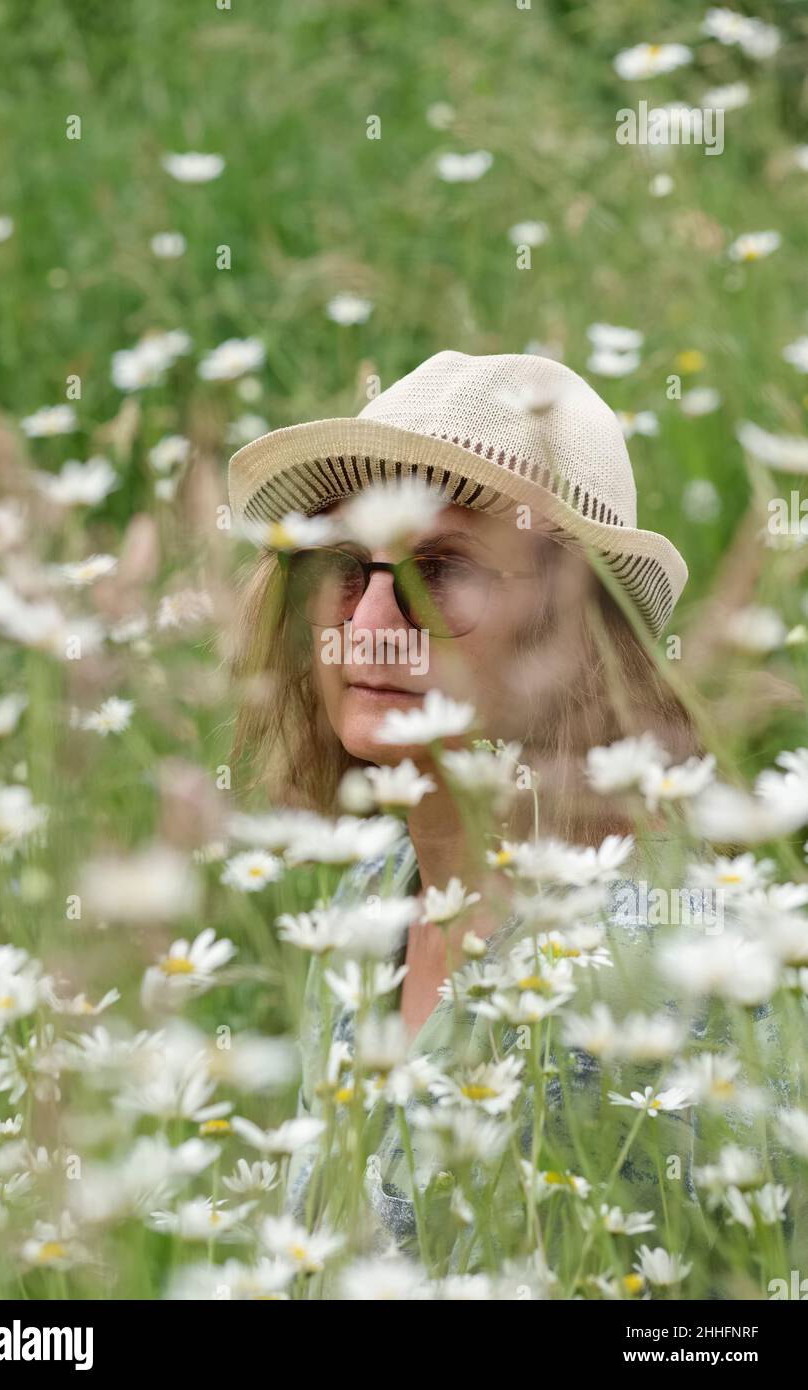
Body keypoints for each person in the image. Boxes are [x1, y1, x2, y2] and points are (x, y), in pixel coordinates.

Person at [225, 351, 754, 1291]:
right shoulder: (368, 898)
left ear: (570, 627)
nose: (372, 620)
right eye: (350, 566)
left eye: (440, 570)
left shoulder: (649, 965)